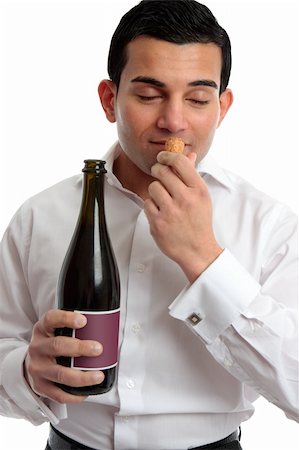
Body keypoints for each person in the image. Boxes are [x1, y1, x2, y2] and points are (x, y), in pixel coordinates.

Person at [0, 0, 298, 449]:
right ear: (109, 99)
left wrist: (203, 258)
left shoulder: (270, 224)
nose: (173, 121)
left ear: (222, 107)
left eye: (197, 99)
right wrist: (25, 371)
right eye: (148, 94)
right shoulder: (39, 216)